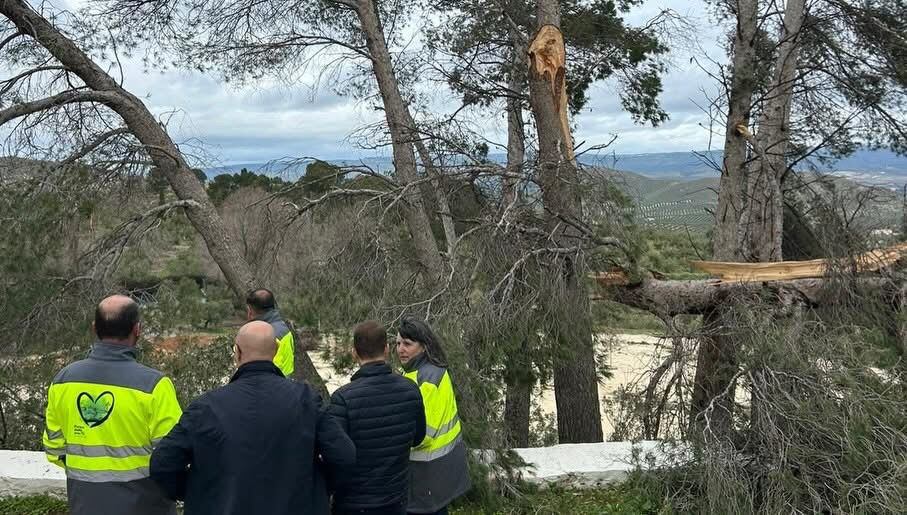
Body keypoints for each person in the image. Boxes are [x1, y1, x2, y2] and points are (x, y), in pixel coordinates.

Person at [149, 321, 355, 515]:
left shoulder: (206, 407)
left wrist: (198, 492)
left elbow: (162, 464)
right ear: (275, 350)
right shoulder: (306, 400)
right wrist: (317, 489)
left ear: (237, 352)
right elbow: (344, 455)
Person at [43, 295, 182, 515]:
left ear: (94, 328)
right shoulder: (154, 385)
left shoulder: (63, 380)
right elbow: (173, 455)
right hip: (145, 505)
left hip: (84, 503)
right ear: (137, 330)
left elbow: (54, 448)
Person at [327, 321, 426, 515]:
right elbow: (418, 437)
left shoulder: (342, 398)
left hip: (354, 502)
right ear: (387, 349)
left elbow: (336, 455)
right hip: (396, 498)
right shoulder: (410, 389)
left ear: (354, 352)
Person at [396, 318, 470, 515]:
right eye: (397, 343)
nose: (400, 349)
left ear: (423, 347)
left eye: (407, 344)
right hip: (435, 473)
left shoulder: (427, 379)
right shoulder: (415, 373)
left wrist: (389, 443)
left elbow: (424, 435)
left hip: (428, 474)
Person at [246, 288, 295, 377]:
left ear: (250, 311)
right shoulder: (284, 328)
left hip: (270, 383)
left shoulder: (262, 334)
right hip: (285, 381)